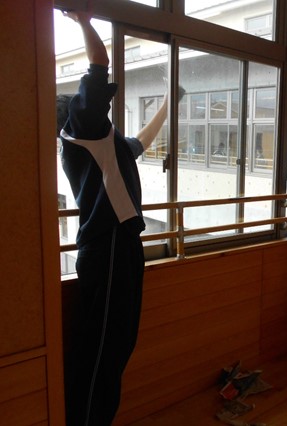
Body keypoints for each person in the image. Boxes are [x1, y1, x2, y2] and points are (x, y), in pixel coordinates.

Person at [56, 10, 183, 425]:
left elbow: (143, 139)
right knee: (102, 352)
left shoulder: (109, 144)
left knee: (117, 346)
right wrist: (83, 19)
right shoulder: (82, 132)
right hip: (108, 246)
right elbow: (99, 64)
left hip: (122, 248)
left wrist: (170, 104)